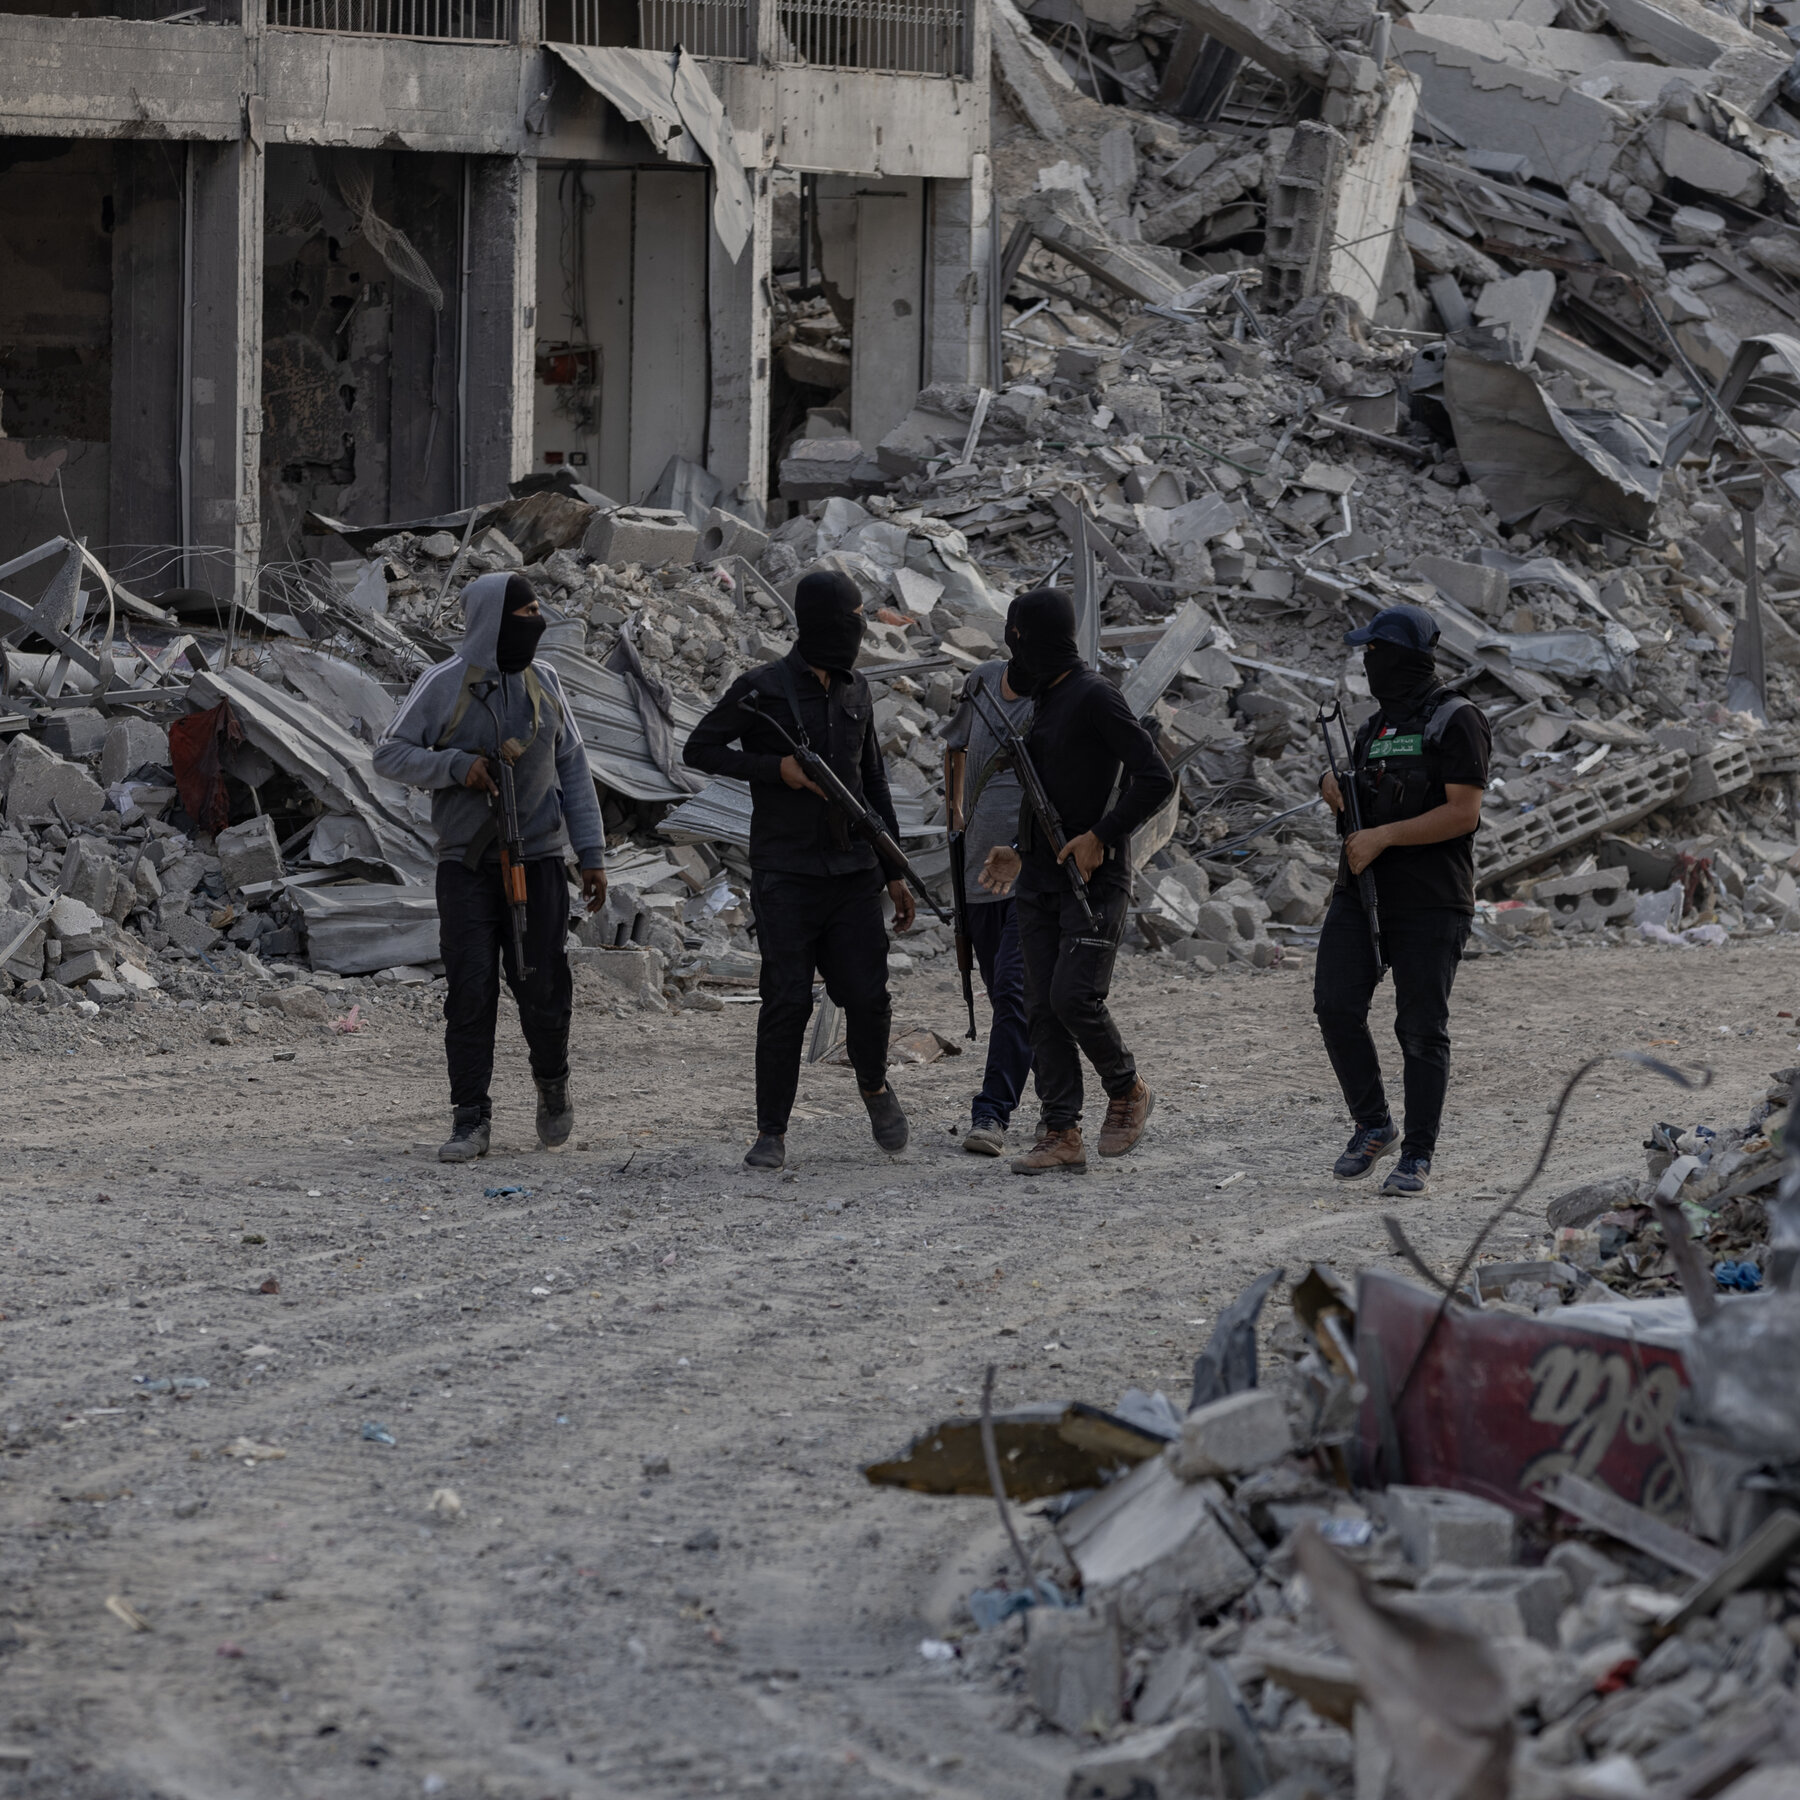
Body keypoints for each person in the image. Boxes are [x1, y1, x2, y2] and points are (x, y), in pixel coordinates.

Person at [373, 573, 607, 1162]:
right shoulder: (444, 682)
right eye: (525, 612)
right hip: (468, 865)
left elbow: (574, 768)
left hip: (540, 860)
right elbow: (390, 754)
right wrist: (457, 767)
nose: (536, 622)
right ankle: (470, 1118)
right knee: (471, 990)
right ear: (494, 621)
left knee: (543, 986)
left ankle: (552, 1084)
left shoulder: (545, 680)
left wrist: (593, 854)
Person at [684, 571, 914, 1171]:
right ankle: (772, 1131)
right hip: (786, 873)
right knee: (785, 1001)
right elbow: (698, 749)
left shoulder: (857, 690)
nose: (858, 630)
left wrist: (894, 869)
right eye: (851, 619)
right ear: (818, 623)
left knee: (867, 996)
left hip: (853, 873)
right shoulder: (761, 689)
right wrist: (775, 769)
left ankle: (874, 1086)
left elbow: (871, 782)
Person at [977, 589, 1174, 1175]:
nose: (1012, 648)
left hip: (1094, 878)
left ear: (1035, 637)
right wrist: (1018, 851)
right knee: (1040, 1007)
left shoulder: (1094, 695)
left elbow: (1155, 777)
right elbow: (1050, 798)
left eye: (1017, 635)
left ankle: (1128, 1088)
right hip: (1040, 878)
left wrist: (1100, 836)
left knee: (1073, 997)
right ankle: (1062, 1131)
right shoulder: (1046, 699)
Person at [1314, 603, 1492, 1196]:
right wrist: (1338, 792)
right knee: (1335, 1007)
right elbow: (1364, 801)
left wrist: (1385, 836)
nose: (1368, 663)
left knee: (1420, 1028)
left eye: (1375, 652)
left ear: (1404, 657)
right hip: (1361, 891)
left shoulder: (1457, 718)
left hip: (1431, 900)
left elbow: (1463, 813)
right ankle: (1373, 1124)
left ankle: (1416, 1155)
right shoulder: (1374, 728)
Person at [942, 660, 1034, 1157]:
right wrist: (956, 811)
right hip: (978, 873)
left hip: (1031, 876)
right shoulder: (981, 682)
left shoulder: (1058, 694)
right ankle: (1066, 1101)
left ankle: (992, 1111)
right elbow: (953, 745)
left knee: (1015, 992)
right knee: (1011, 1003)